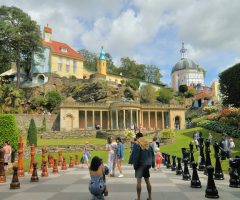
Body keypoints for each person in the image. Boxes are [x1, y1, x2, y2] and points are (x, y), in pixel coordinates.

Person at [129, 132, 155, 200]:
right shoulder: (148, 143)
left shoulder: (137, 144)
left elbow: (136, 155)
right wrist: (153, 164)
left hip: (139, 165)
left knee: (139, 182)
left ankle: (138, 198)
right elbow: (152, 154)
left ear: (137, 137)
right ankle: (150, 197)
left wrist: (135, 165)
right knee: (147, 181)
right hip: (146, 165)